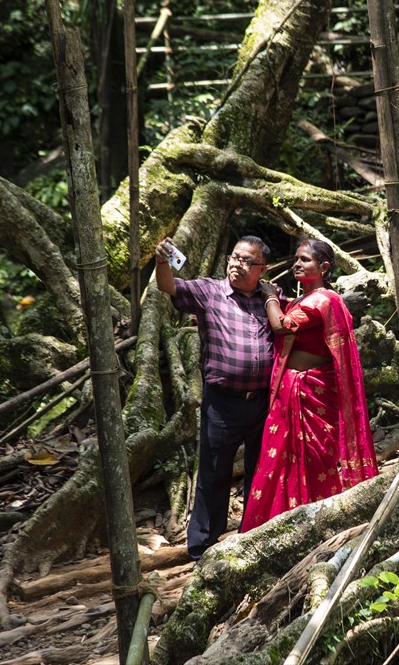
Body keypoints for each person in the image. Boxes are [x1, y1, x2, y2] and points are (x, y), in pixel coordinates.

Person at [240, 239, 378, 531]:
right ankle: (276, 522)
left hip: (314, 391)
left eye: (305, 260)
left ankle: (317, 524)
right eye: (296, 259)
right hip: (292, 389)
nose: (297, 264)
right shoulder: (305, 300)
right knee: (278, 459)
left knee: (316, 459)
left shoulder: (324, 300)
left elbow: (282, 326)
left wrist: (269, 298)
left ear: (324, 267)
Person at [155, 235, 277, 560]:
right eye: (234, 257)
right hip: (223, 402)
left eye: (247, 261)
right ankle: (202, 549)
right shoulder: (210, 291)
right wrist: (161, 261)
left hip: (263, 402)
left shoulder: (268, 298)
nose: (237, 264)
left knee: (259, 470)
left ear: (262, 269)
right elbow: (169, 287)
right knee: (214, 473)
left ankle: (253, 538)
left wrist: (273, 298)